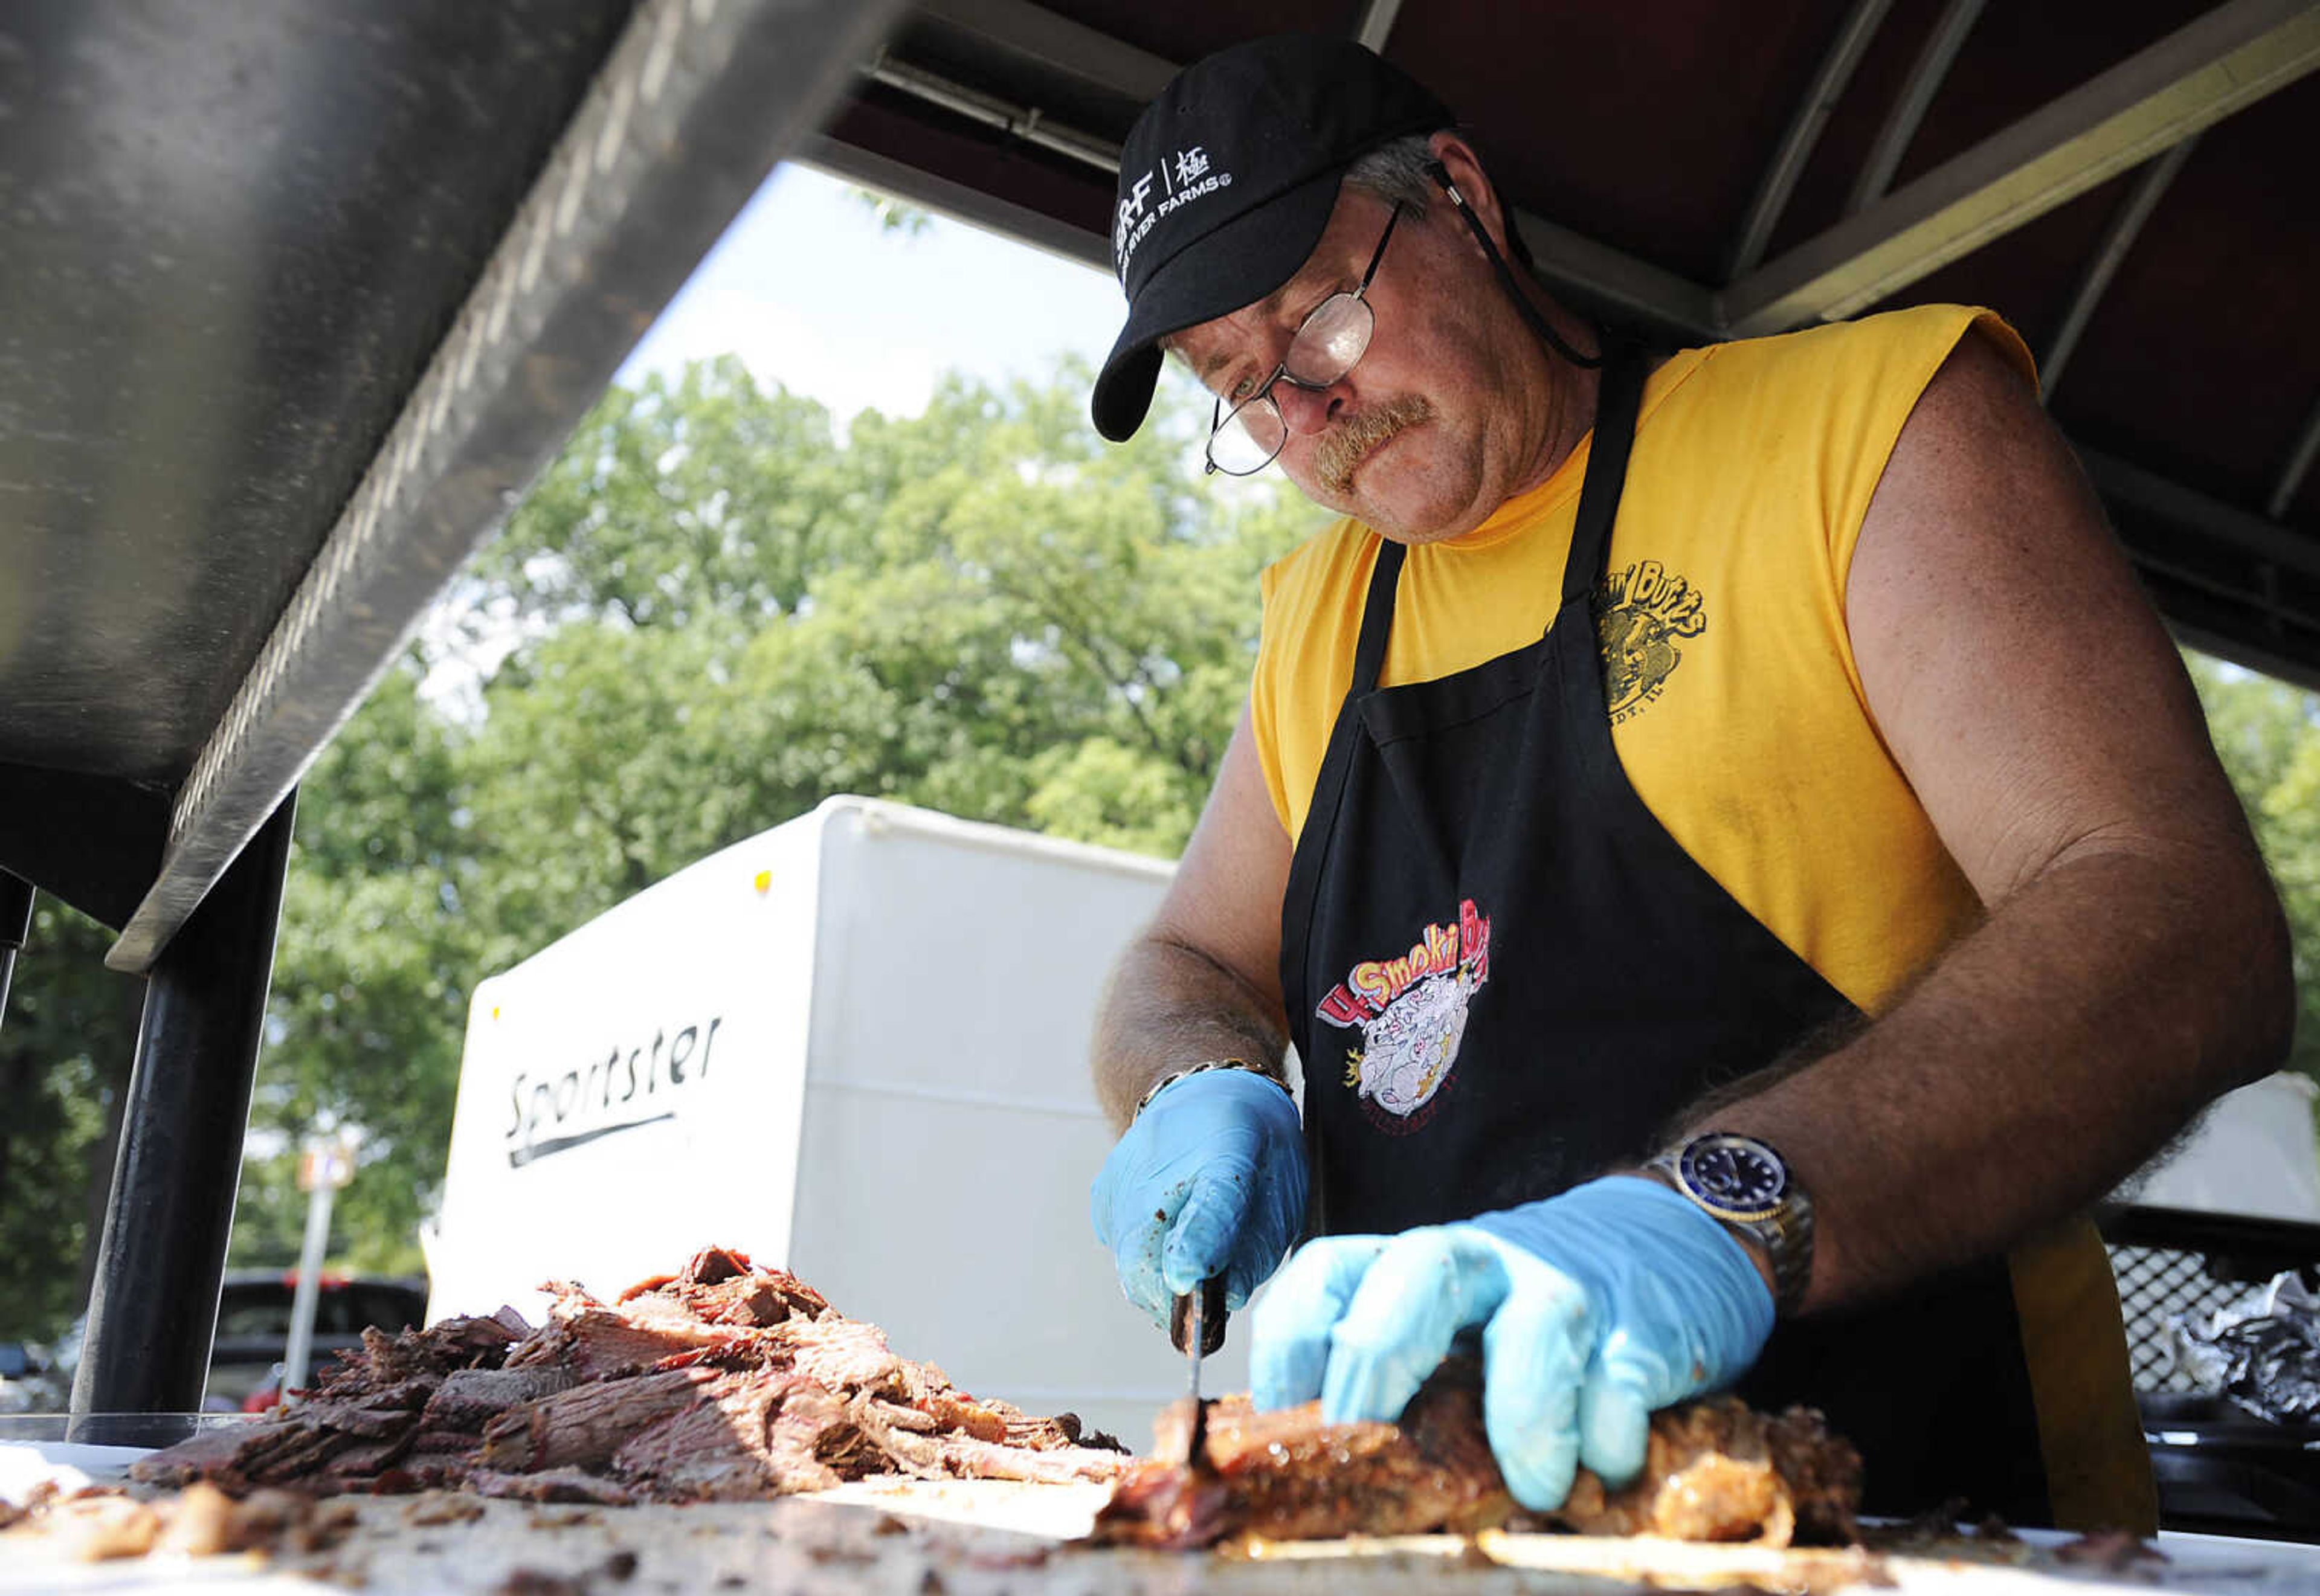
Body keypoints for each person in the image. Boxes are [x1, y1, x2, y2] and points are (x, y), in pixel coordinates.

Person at [1082, 34, 2292, 1532]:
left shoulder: (1867, 433)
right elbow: (1184, 960)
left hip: (1923, 1526)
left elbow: (2184, 923)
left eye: (1319, 316)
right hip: (1437, 1546)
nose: (1305, 414)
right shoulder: (1319, 618)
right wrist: (1195, 1085)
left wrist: (1723, 1211)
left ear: (1461, 196)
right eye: (1240, 387)